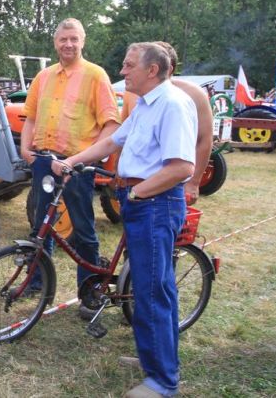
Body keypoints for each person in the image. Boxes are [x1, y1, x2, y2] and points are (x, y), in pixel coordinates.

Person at [53, 41, 197, 398]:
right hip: (143, 202)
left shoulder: (173, 105)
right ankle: (155, 362)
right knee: (153, 288)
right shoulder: (147, 106)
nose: (122, 71)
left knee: (151, 291)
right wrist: (71, 162)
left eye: (129, 65)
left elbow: (182, 167)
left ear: (152, 70)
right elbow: (109, 143)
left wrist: (137, 193)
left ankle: (163, 381)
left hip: (153, 203)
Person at [20, 18, 120, 316]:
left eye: (74, 39)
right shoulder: (44, 77)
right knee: (41, 225)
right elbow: (31, 117)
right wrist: (26, 150)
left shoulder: (95, 76)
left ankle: (88, 290)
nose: (68, 44)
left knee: (83, 230)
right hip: (44, 161)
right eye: (63, 39)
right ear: (55, 42)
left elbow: (111, 125)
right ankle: (38, 282)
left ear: (83, 42)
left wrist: (87, 159)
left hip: (76, 166)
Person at [119, 42, 213, 203]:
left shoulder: (187, 97)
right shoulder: (137, 95)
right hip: (138, 190)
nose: (124, 72)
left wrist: (194, 182)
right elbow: (121, 139)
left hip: (161, 193)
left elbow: (204, 139)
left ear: (167, 69)